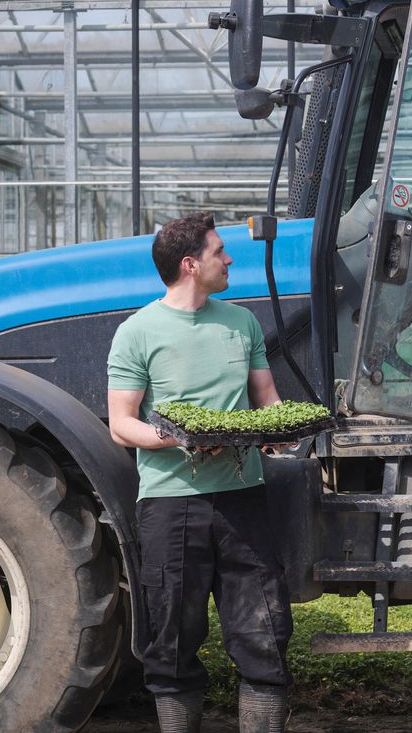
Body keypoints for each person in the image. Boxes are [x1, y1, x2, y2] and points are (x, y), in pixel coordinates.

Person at [107, 213, 291, 733]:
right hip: (171, 503)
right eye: (218, 251)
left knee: (265, 634)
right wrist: (181, 437)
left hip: (243, 498)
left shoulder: (242, 323)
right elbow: (122, 425)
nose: (228, 258)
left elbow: (267, 402)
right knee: (171, 640)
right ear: (190, 265)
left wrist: (279, 429)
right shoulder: (137, 332)